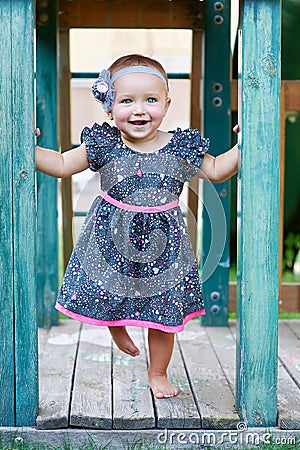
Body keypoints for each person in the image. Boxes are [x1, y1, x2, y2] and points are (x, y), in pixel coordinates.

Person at [36, 54, 238, 399]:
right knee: (108, 289)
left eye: (151, 100)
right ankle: (116, 322)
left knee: (164, 311)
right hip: (111, 237)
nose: (140, 110)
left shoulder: (179, 146)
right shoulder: (105, 144)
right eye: (127, 101)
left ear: (167, 103)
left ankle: (157, 372)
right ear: (109, 106)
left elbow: (218, 169)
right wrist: (25, 146)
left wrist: (248, 143)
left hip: (164, 244)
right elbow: (60, 164)